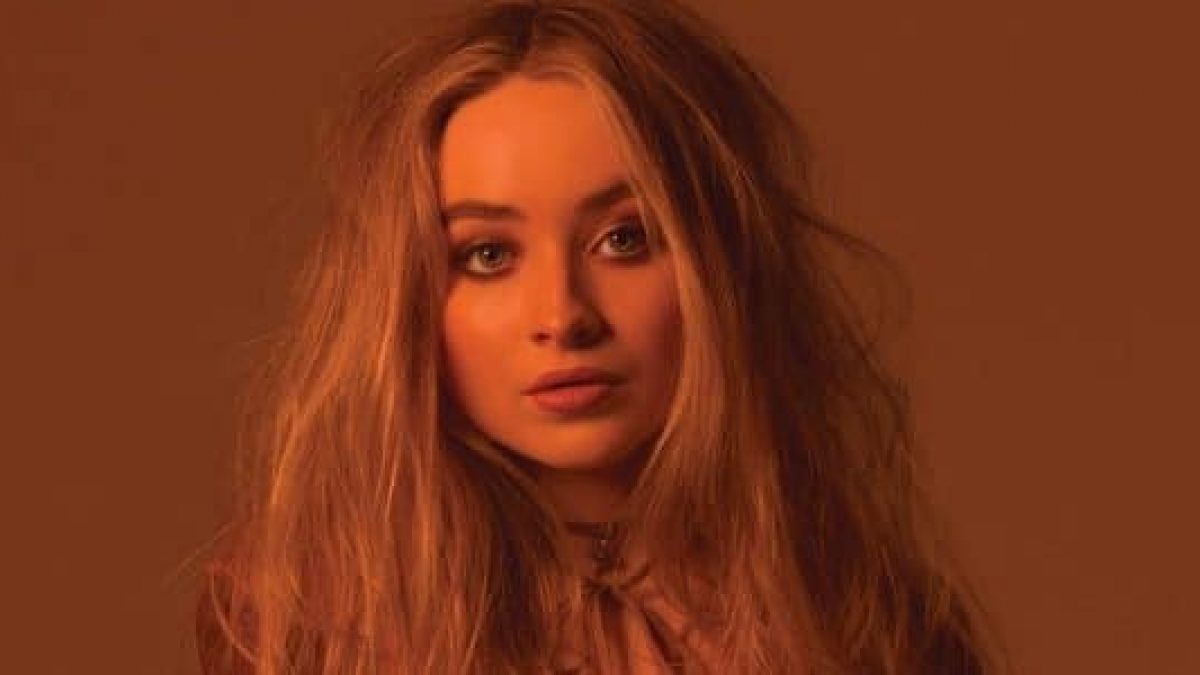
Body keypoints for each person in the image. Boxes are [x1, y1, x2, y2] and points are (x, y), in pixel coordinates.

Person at [196, 1, 1001, 673]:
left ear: (720, 266)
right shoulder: (303, 619)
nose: (563, 314)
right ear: (402, 298)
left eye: (624, 239)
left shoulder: (867, 620)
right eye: (488, 254)